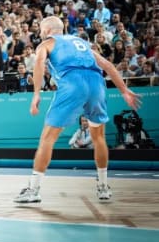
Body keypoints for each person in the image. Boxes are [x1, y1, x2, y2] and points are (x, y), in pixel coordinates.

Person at [14, 16, 141, 203]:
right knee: (99, 138)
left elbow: (39, 63)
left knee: (47, 140)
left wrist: (36, 94)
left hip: (73, 84)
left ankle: (33, 190)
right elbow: (107, 65)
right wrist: (124, 90)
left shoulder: (46, 43)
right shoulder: (81, 43)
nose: (39, 33)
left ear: (48, 29)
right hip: (96, 85)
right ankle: (103, 187)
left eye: (41, 29)